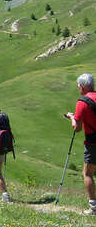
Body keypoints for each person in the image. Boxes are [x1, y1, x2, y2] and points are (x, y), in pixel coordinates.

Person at [65, 73, 96, 215]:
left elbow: (77, 128)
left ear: (83, 86)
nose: (78, 87)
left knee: (87, 173)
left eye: (78, 85)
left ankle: (93, 206)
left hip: (93, 143)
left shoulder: (82, 102)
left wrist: (72, 117)